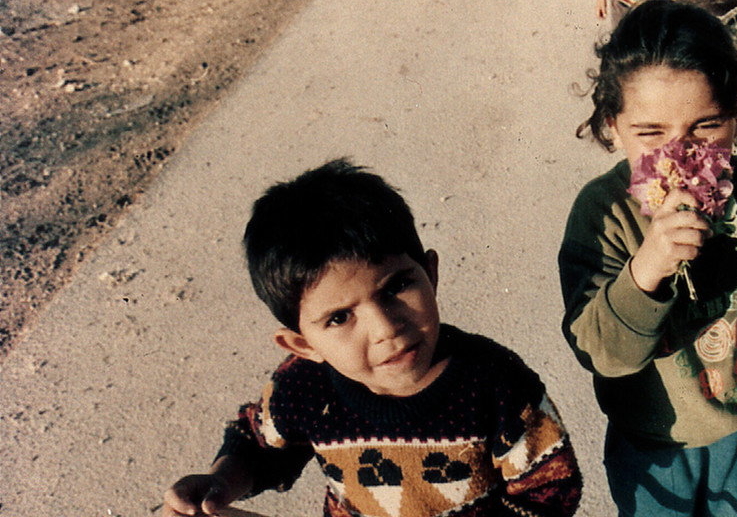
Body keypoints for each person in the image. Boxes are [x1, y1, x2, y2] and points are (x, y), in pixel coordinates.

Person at [162, 159, 582, 517]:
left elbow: (550, 490)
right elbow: (259, 444)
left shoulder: (495, 383)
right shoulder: (304, 385)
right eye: (339, 317)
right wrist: (220, 481)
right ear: (304, 345)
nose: (385, 328)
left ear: (430, 273)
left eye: (396, 286)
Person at [559, 0, 737, 516]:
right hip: (653, 440)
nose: (680, 154)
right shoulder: (603, 214)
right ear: (613, 126)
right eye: (651, 133)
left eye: (706, 126)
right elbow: (600, 353)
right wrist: (647, 269)